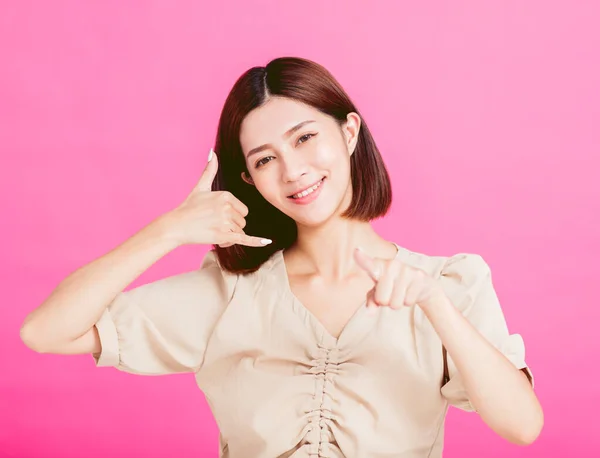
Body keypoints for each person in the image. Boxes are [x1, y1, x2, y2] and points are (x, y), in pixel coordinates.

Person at [20, 57, 543, 457]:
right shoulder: (229, 290)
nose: (293, 170)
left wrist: (435, 306)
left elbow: (522, 426)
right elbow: (45, 332)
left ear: (350, 132)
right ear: (249, 180)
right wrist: (167, 230)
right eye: (265, 159)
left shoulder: (448, 282)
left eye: (306, 137)